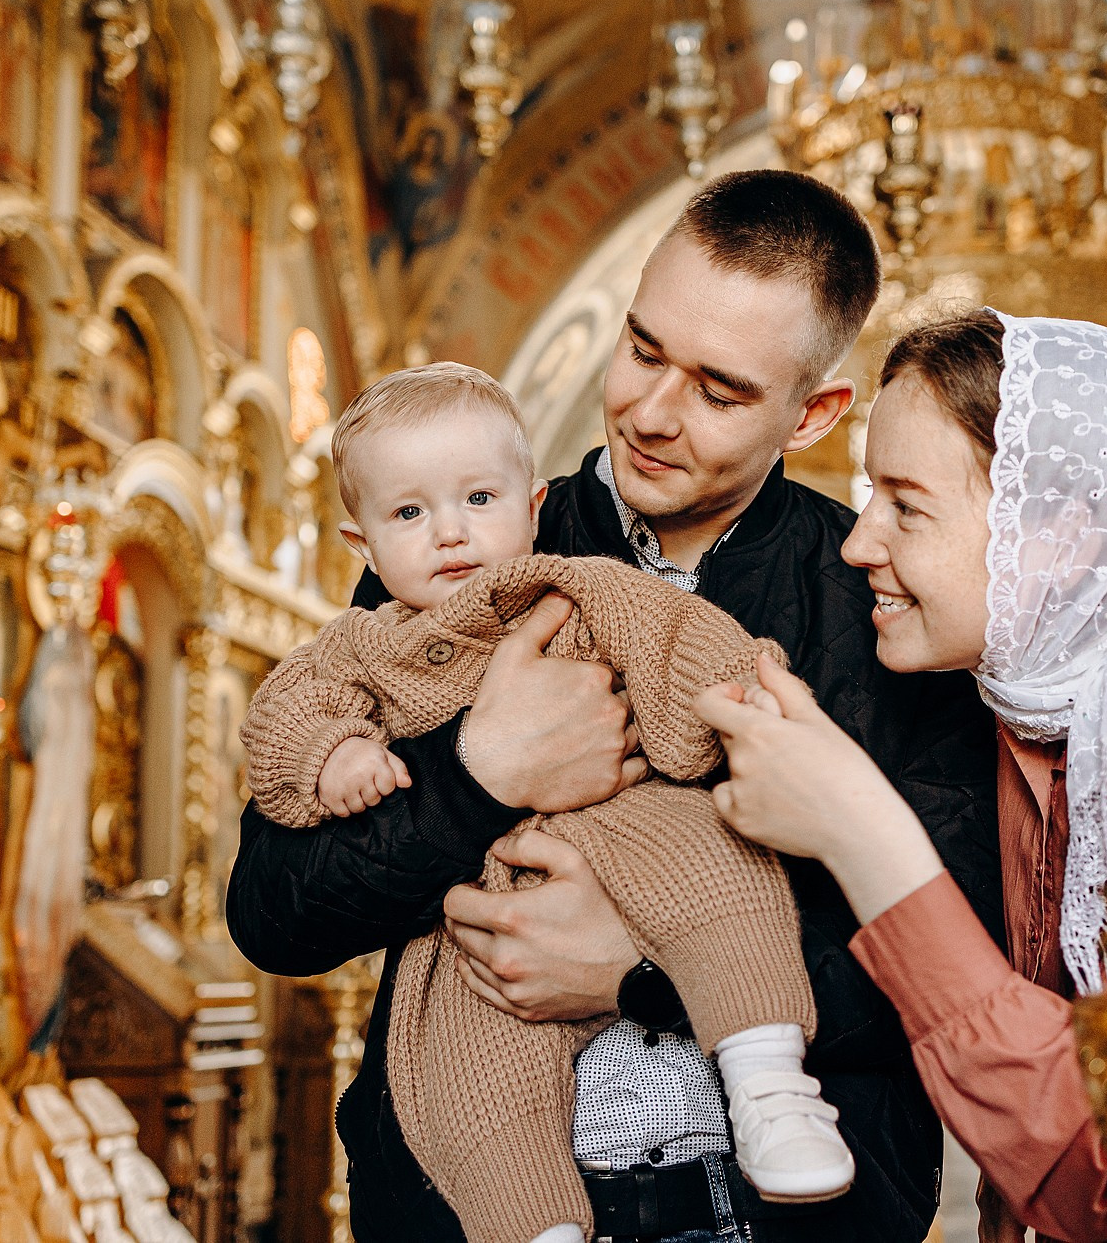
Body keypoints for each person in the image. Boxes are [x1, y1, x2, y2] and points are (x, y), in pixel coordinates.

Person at [225, 170, 1005, 1243]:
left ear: (813, 414)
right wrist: (478, 776)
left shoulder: (881, 598)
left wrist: (636, 976)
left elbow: (958, 952)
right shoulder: (465, 547)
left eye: (719, 393)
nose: (651, 413)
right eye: (643, 350)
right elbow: (273, 911)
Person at [695, 309, 1107, 1243]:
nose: (859, 546)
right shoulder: (1026, 704)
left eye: (906, 505)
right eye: (867, 497)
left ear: (1057, 534)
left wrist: (860, 831)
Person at [242, 364, 853, 1243]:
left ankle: (769, 1082)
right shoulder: (363, 643)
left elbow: (676, 637)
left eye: (478, 499)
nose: (450, 532)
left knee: (724, 873)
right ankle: (532, 1226)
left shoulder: (578, 585)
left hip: (635, 821)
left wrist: (729, 704)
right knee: (469, 1074)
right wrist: (330, 755)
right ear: (363, 543)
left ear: (534, 507)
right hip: (482, 912)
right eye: (408, 513)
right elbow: (285, 715)